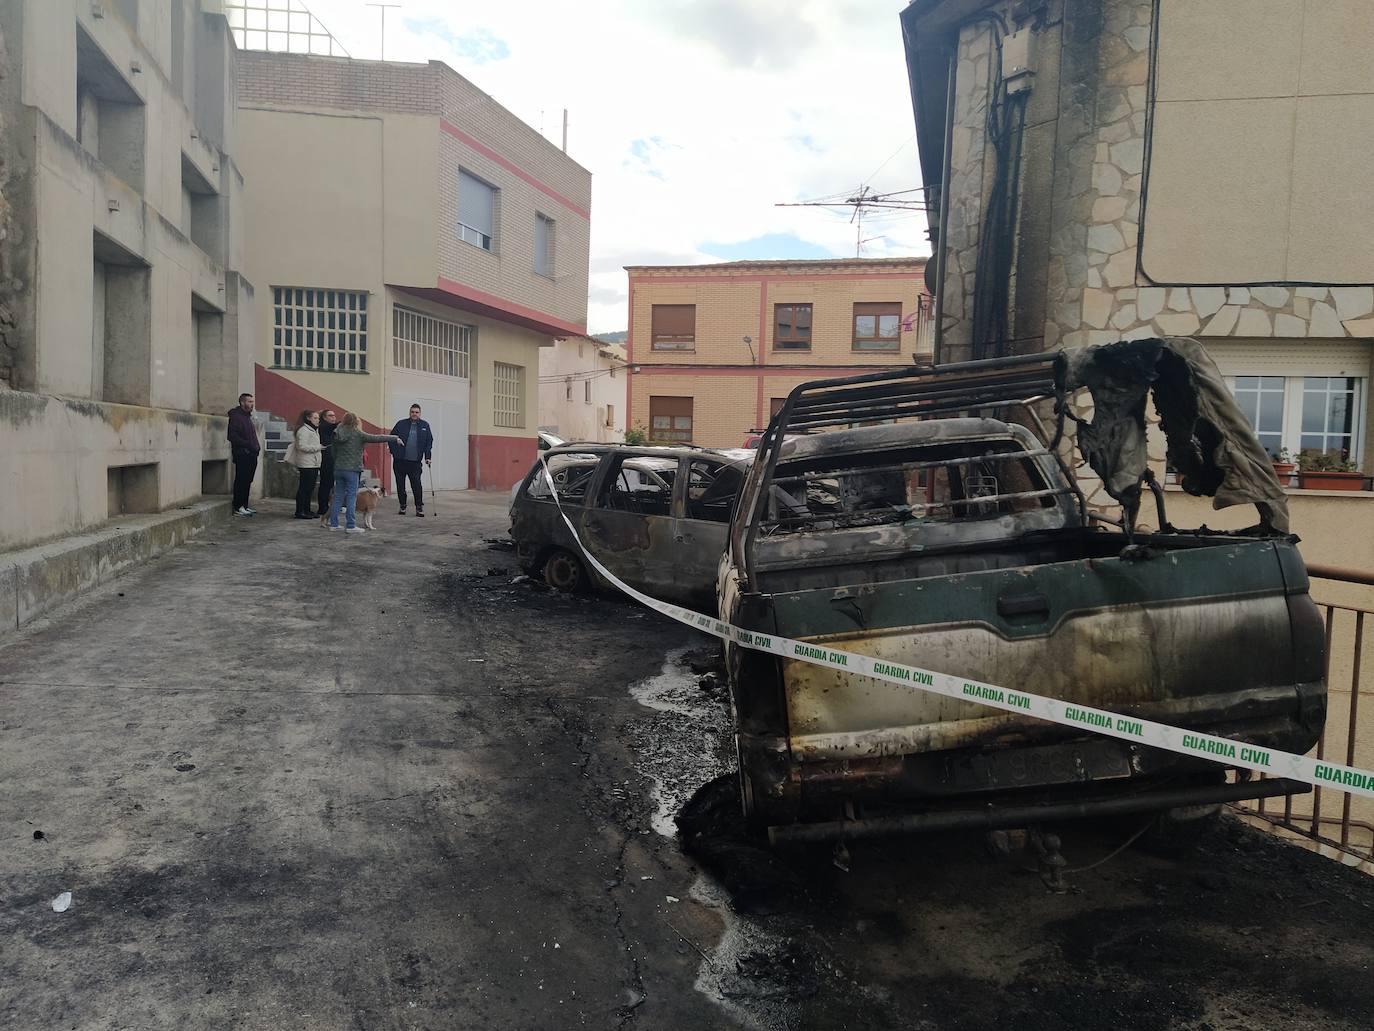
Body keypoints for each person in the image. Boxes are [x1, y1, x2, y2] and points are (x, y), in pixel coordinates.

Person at [329, 413, 402, 534]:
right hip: (352, 470)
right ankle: (351, 525)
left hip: (338, 469)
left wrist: (338, 463)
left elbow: (333, 451)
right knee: (352, 497)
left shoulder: (336, 433)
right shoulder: (358, 434)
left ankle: (334, 524)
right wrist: (395, 438)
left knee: (338, 496)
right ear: (356, 422)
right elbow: (377, 438)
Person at [388, 403, 434, 516]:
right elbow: (391, 437)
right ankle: (402, 506)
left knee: (417, 485)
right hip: (400, 461)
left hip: (415, 463)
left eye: (416, 412)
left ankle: (419, 508)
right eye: (412, 412)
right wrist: (394, 452)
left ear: (420, 413)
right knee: (400, 485)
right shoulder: (401, 424)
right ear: (410, 412)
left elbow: (429, 442)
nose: (414, 414)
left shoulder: (425, 425)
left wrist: (428, 457)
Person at [227, 392, 260, 517]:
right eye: (249, 402)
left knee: (247, 481)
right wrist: (248, 445)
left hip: (251, 454)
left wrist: (255, 448)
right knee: (241, 480)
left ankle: (245, 505)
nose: (252, 404)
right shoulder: (236, 417)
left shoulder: (247, 417)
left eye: (252, 401)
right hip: (243, 454)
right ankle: (238, 506)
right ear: (242, 403)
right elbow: (232, 436)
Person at [291, 410, 324, 519]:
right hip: (306, 463)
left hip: (313, 462)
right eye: (315, 418)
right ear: (308, 418)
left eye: (318, 418)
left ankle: (307, 510)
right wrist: (318, 447)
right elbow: (302, 446)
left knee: (310, 488)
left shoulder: (314, 430)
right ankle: (300, 511)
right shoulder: (304, 430)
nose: (317, 420)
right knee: (304, 488)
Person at [316, 408, 338, 517]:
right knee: (326, 483)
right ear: (324, 418)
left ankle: (325, 505)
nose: (333, 418)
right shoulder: (323, 426)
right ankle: (322, 507)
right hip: (325, 459)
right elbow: (334, 426)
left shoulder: (329, 428)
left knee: (329, 483)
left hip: (331, 458)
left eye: (334, 415)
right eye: (331, 415)